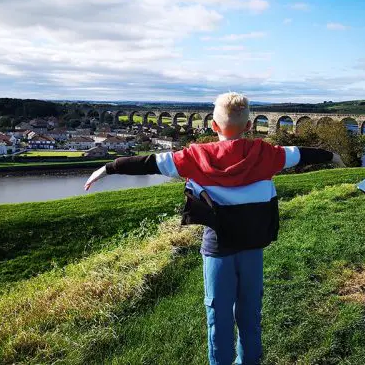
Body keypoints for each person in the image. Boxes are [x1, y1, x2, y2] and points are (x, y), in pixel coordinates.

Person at [84, 92, 345, 365]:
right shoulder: (267, 154)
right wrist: (332, 155)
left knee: (217, 314)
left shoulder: (196, 156)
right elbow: (302, 155)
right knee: (250, 313)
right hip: (253, 246)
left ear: (214, 126)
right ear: (248, 127)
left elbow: (150, 163)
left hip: (217, 248)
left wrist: (108, 168)